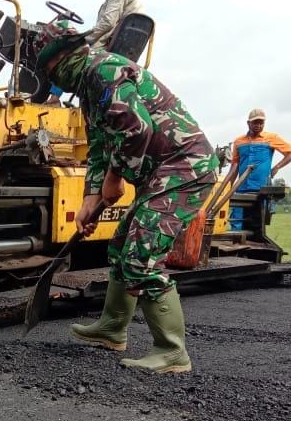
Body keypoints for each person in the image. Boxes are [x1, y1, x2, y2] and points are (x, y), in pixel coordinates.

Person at [33, 22, 219, 374]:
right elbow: (101, 146)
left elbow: (137, 128)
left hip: (186, 168)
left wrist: (115, 178)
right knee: (121, 245)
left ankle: (171, 352)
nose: (55, 78)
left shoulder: (104, 70)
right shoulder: (88, 90)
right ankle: (112, 328)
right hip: (160, 172)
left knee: (142, 256)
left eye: (52, 69)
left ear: (64, 56)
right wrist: (91, 196)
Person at [44, 0, 145, 106]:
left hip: (110, 43)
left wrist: (84, 38)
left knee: (69, 53)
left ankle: (53, 99)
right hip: (122, 45)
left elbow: (108, 22)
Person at [227, 109, 291, 230]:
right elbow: (234, 166)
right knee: (236, 221)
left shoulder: (271, 138)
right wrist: (228, 188)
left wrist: (277, 167)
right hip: (241, 188)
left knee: (257, 225)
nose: (258, 125)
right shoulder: (238, 142)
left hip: (260, 189)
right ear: (248, 123)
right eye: (255, 123)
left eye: (261, 123)